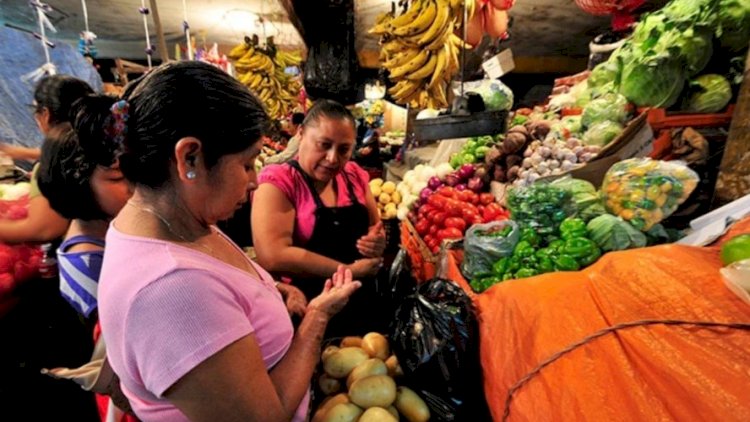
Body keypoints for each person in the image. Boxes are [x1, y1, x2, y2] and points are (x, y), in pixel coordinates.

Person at [94, 61, 359, 421]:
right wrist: (317, 318)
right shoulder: (172, 291)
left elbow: (216, 287)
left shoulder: (176, 221)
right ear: (190, 157)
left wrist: (266, 292)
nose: (254, 181)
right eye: (247, 164)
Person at [252, 100, 387, 337]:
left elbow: (375, 228)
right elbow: (272, 255)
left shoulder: (354, 175)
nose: (333, 158)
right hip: (308, 307)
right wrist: (349, 271)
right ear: (301, 133)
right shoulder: (280, 182)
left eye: (343, 149)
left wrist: (376, 243)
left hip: (360, 301)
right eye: (324, 145)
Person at [35, 103, 135, 421]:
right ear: (77, 183)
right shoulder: (89, 263)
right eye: (118, 178)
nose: (133, 187)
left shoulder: (104, 231)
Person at [0, 75, 94, 243]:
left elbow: (43, 230)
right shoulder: (97, 144)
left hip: (80, 249)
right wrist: (22, 153)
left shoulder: (53, 165)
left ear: (45, 114)